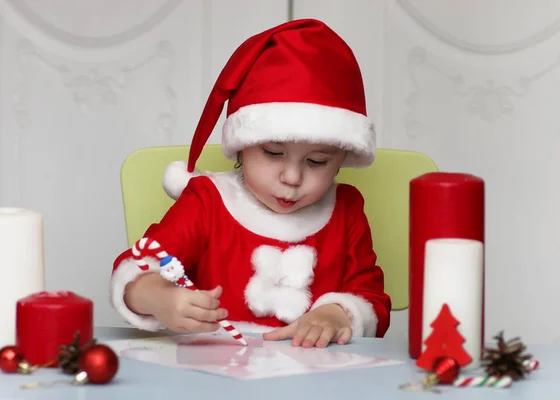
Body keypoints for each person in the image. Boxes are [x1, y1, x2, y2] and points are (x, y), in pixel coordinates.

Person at [109, 18, 392, 348]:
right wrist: (161, 300)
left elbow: (371, 298)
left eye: (317, 161)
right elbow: (137, 268)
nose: (292, 177)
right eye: (273, 153)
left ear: (344, 157)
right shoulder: (209, 200)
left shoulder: (345, 209)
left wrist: (338, 315)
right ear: (242, 145)